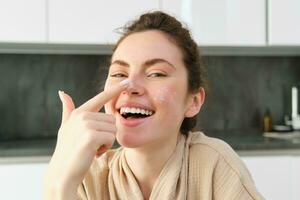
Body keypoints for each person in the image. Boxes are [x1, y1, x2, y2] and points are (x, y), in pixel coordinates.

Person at [44, 11, 264, 200]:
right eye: (119, 73)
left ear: (193, 101)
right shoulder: (87, 176)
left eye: (156, 73)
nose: (130, 87)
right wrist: (59, 183)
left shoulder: (215, 165)